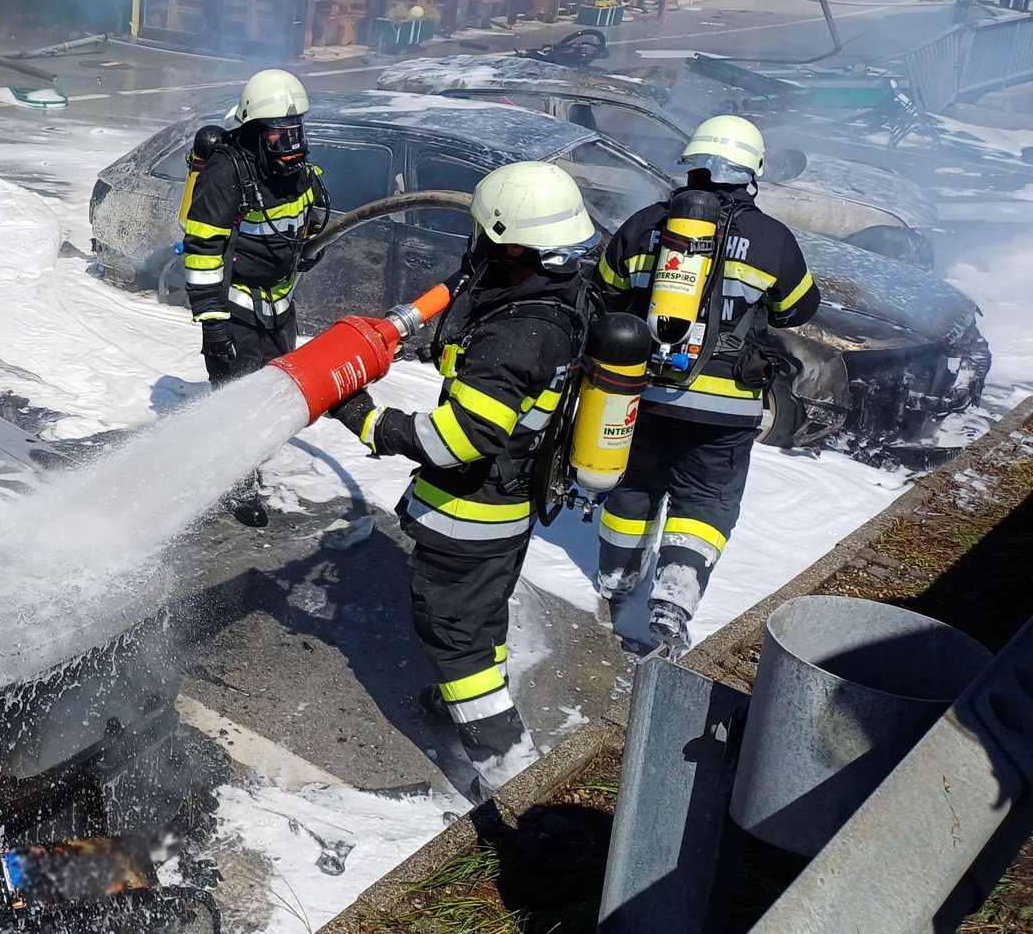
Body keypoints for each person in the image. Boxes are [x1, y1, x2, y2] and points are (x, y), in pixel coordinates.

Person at [328, 162, 597, 793]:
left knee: (456, 639)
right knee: (481, 618)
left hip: (469, 519)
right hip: (513, 508)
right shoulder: (563, 298)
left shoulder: (514, 335)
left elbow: (463, 437)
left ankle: (508, 773)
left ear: (508, 243)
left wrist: (370, 421)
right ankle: (469, 708)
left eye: (482, 235)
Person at [592, 116, 819, 659]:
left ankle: (615, 586)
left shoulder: (646, 223)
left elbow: (603, 288)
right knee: (706, 500)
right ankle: (671, 606)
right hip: (726, 409)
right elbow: (796, 310)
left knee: (634, 485)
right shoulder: (772, 239)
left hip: (644, 394)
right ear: (751, 174)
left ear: (691, 165)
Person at [181, 68, 327, 527]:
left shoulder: (295, 171)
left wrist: (306, 239)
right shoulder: (226, 174)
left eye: (295, 131)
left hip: (280, 307)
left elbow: (307, 213)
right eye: (280, 135)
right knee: (237, 402)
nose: (291, 144)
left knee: (274, 392)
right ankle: (236, 486)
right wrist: (214, 325)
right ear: (255, 132)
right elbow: (202, 252)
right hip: (236, 309)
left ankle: (246, 463)